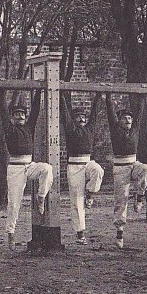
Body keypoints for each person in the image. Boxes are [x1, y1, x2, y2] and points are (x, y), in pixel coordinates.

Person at [0, 89, 53, 252]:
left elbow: (35, 111)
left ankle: (41, 197)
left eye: (22, 114)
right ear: (12, 117)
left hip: (29, 165)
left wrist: (39, 92)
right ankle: (10, 233)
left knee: (47, 168)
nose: (20, 117)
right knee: (14, 203)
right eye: (17, 114)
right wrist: (1, 90)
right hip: (15, 168)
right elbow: (3, 112)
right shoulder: (9, 129)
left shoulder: (29, 127)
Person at [106, 94, 147, 250]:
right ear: (119, 121)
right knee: (121, 200)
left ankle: (140, 196)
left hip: (133, 163)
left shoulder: (135, 130)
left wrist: (144, 96)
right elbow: (110, 112)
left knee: (146, 169)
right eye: (125, 118)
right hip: (120, 167)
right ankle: (119, 232)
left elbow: (139, 113)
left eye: (129, 119)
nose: (128, 121)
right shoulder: (115, 130)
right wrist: (107, 95)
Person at [60, 91, 103, 245]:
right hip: (74, 166)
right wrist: (62, 95)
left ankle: (91, 194)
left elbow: (95, 115)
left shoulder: (90, 129)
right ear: (74, 119)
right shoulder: (70, 129)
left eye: (83, 117)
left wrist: (98, 96)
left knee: (98, 170)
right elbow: (64, 113)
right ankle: (80, 232)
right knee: (77, 200)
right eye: (78, 117)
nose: (81, 119)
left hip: (87, 162)